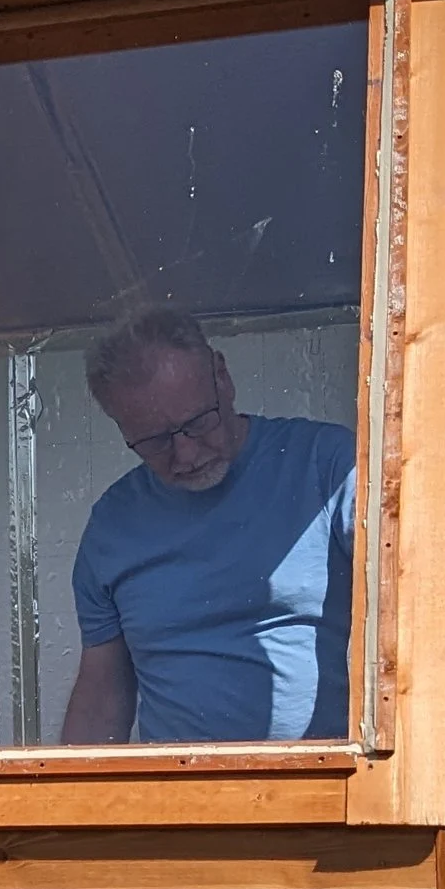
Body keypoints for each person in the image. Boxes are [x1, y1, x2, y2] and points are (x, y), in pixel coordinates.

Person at [60, 307, 355, 745]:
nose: (186, 455)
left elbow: (408, 619)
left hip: (325, 791)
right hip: (180, 801)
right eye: (154, 441)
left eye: (198, 423)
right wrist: (69, 805)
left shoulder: (328, 466)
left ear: (223, 377)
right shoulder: (112, 526)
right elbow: (103, 696)